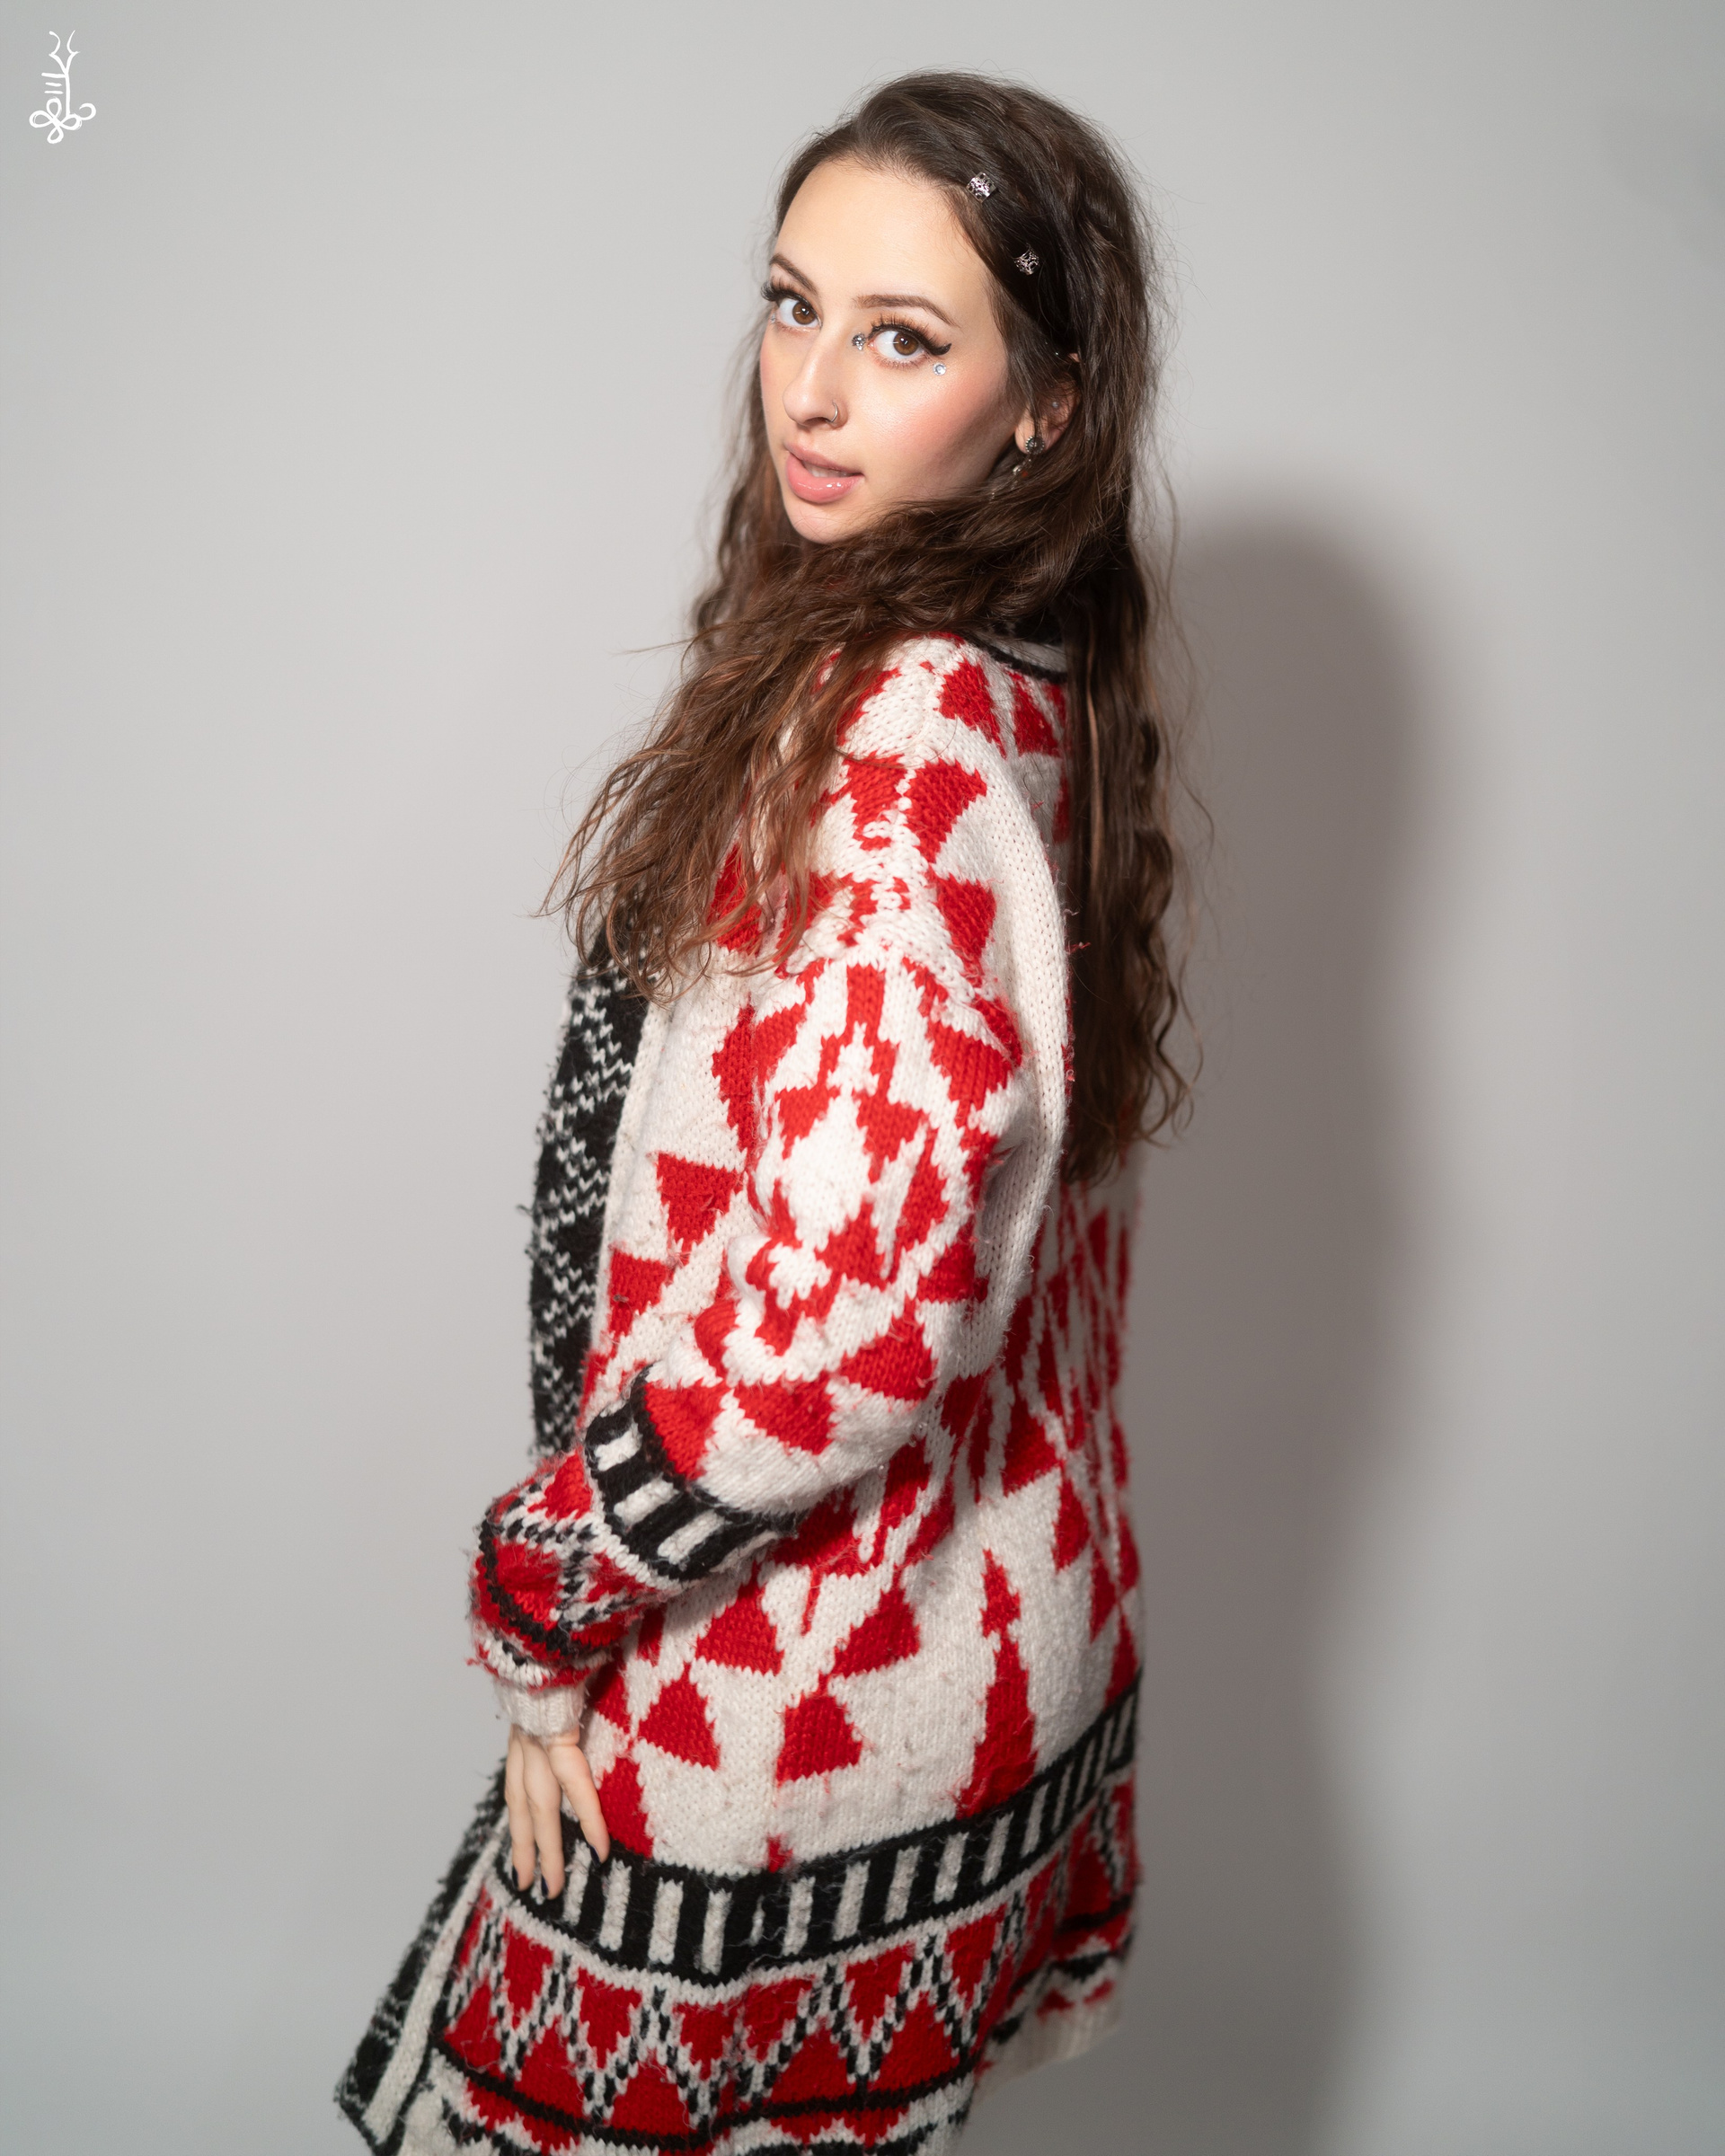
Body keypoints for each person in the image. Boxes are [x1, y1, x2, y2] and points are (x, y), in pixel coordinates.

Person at [338, 68, 1190, 2156]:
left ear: (1046, 406)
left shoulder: (904, 734)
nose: (810, 389)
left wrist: (550, 1576)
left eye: (901, 339)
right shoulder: (1027, 676)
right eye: (794, 306)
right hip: (984, 1626)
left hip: (799, 1681)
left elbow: (859, 1304)